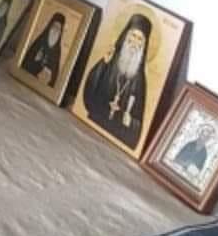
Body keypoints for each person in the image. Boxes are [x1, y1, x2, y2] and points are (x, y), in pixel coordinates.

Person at [82, 14, 152, 151]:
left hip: (117, 136)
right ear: (126, 36)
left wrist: (130, 121)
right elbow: (89, 89)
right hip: (95, 121)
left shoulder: (140, 79)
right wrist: (103, 64)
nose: (134, 42)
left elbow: (138, 121)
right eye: (133, 35)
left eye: (140, 39)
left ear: (144, 45)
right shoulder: (111, 59)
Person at [21, 12, 65, 87]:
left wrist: (49, 75)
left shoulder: (57, 51)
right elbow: (26, 62)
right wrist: (35, 59)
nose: (55, 30)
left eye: (58, 29)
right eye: (54, 26)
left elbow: (54, 74)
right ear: (50, 26)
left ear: (60, 32)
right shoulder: (40, 41)